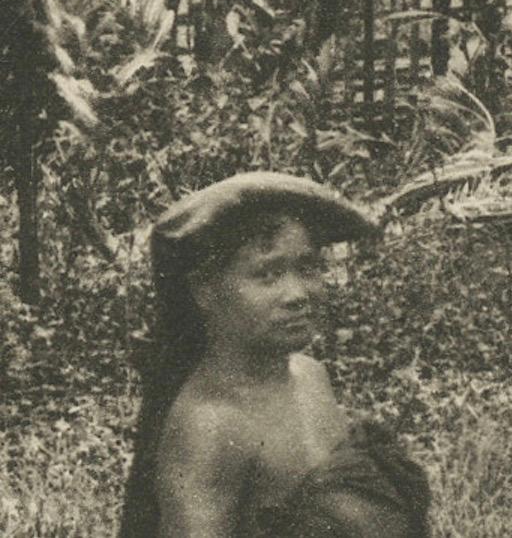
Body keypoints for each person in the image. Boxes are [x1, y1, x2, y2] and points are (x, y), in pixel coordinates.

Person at [116, 172, 428, 538]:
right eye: (268, 274)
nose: (298, 293)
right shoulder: (212, 425)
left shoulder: (310, 375)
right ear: (204, 290)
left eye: (308, 267)